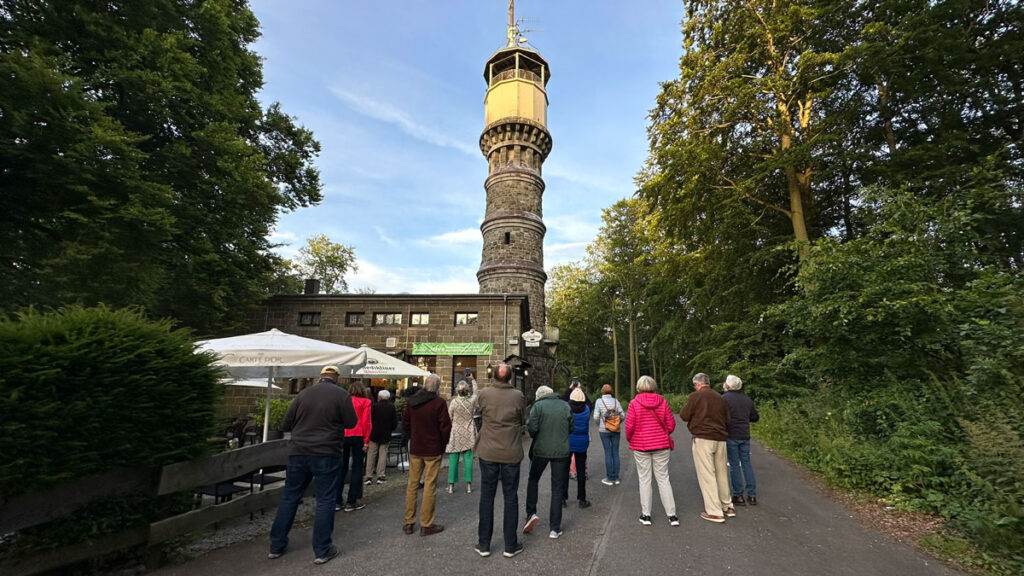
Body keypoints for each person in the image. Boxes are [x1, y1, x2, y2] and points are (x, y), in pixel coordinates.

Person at [268, 365, 356, 565]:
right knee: (325, 499)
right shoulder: (341, 395)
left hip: (298, 451)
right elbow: (351, 423)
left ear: (320, 377)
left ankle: (276, 546)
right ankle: (322, 549)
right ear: (337, 378)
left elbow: (285, 424)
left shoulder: (303, 394)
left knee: (290, 497)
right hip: (326, 451)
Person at [474, 363, 527, 558]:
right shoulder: (518, 396)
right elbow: (523, 420)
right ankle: (510, 545)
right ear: (510, 377)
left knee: (487, 496)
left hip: (488, 451)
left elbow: (478, 413)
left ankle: (484, 544)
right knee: (510, 496)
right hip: (510, 451)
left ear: (494, 376)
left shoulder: (484, 394)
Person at [624, 375, 679, 527]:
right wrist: (662, 433)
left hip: (641, 445)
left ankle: (646, 515)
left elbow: (629, 426)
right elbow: (671, 424)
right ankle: (672, 515)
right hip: (661, 444)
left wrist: (632, 439)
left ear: (638, 387)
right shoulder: (663, 401)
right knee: (663, 479)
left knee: (644, 479)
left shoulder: (634, 403)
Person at [680, 372, 734, 523]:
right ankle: (727, 506)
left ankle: (714, 511)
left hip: (703, 438)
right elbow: (727, 418)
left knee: (707, 474)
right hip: (721, 439)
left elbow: (684, 415)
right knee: (721, 472)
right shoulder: (720, 397)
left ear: (697, 384)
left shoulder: (695, 396)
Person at [402, 373, 451, 536]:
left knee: (412, 484)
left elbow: (405, 423)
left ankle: (409, 522)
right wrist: (443, 443)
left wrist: (413, 436)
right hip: (432, 448)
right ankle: (426, 523)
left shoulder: (412, 402)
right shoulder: (439, 403)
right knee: (429, 485)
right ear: (436, 387)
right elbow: (445, 426)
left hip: (416, 447)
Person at [523, 385, 572, 540]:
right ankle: (554, 528)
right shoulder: (565, 406)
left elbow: (532, 429)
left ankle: (531, 513)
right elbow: (571, 427)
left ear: (539, 396)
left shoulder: (537, 406)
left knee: (533, 479)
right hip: (561, 451)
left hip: (541, 450)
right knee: (557, 488)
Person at [722, 374, 759, 506]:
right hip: (745, 434)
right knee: (746, 463)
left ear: (727, 385)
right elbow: (755, 417)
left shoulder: (724, 399)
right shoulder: (747, 399)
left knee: (734, 465)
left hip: (731, 434)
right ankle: (752, 495)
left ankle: (738, 495)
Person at [336, 380, 371, 512]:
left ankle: (337, 500)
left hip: (344, 434)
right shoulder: (366, 402)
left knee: (341, 467)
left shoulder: (345, 401)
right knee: (357, 468)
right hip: (358, 435)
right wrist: (366, 441)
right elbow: (366, 422)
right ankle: (351, 501)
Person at [446, 380, 477, 494]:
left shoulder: (454, 402)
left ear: (457, 391)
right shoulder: (471, 401)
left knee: (453, 459)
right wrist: (473, 380)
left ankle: (450, 486)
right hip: (468, 432)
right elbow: (476, 393)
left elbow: (449, 417)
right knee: (468, 459)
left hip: (455, 432)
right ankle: (468, 486)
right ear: (467, 390)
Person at [564, 387, 592, 508]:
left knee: (564, 471)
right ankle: (582, 499)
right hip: (582, 443)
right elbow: (590, 402)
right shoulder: (586, 409)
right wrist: (581, 390)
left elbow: (563, 399)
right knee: (581, 471)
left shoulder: (566, 409)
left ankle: (562, 498)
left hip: (568, 441)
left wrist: (570, 389)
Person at [593, 384, 624, 486]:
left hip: (604, 430)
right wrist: (617, 423)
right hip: (616, 430)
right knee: (615, 452)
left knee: (608, 452)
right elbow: (622, 415)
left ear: (602, 391)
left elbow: (596, 417)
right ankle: (616, 477)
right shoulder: (616, 401)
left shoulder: (599, 401)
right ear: (611, 391)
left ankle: (610, 477)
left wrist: (600, 424)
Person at [365, 389, 397, 485]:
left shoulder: (374, 407)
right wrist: (390, 429)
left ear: (379, 397)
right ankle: (381, 476)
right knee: (382, 455)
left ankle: (368, 476)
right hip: (385, 434)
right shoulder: (391, 407)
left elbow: (369, 420)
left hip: (374, 433)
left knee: (371, 455)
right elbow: (394, 423)